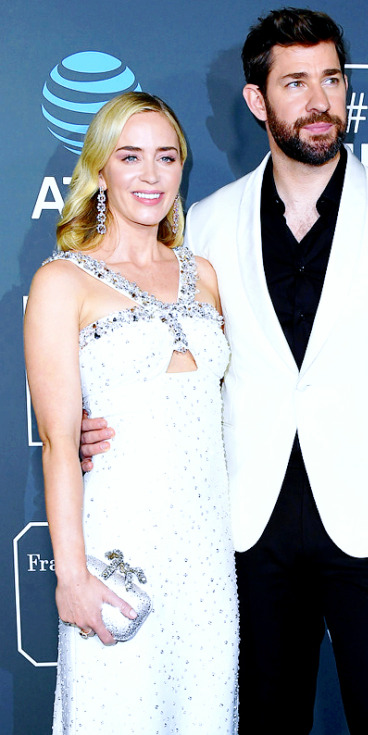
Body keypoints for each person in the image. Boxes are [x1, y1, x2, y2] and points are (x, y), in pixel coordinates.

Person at [81, 9, 368, 735]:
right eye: (295, 82)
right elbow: (173, 362)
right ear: (259, 102)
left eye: (331, 78)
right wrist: (102, 421)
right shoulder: (205, 221)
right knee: (265, 718)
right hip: (246, 523)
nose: (319, 100)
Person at [24, 91, 238, 734]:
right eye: (130, 156)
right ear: (101, 171)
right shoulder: (61, 281)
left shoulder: (203, 274)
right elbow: (61, 442)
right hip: (121, 547)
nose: (151, 175)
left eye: (167, 157)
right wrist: (72, 575)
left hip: (206, 554)